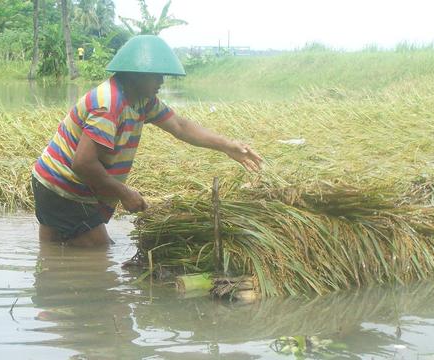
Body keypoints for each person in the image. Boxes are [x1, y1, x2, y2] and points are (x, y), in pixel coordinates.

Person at [31, 35, 262, 247]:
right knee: (100, 254)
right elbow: (83, 163)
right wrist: (124, 192)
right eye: (156, 75)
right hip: (62, 187)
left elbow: (180, 126)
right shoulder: (109, 104)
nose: (161, 81)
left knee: (52, 252)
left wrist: (227, 145)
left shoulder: (143, 100)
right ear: (135, 74)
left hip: (54, 183)